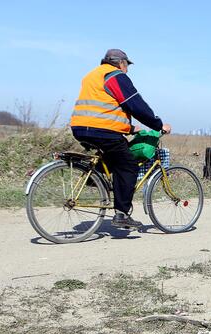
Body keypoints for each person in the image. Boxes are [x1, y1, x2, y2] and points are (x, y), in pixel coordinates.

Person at [70, 49, 172, 230]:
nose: (127, 70)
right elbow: (135, 104)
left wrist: (130, 127)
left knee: (115, 157)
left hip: (80, 127)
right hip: (102, 130)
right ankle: (122, 215)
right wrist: (158, 124)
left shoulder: (93, 75)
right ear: (121, 63)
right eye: (127, 66)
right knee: (128, 165)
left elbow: (103, 108)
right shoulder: (115, 75)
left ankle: (95, 176)